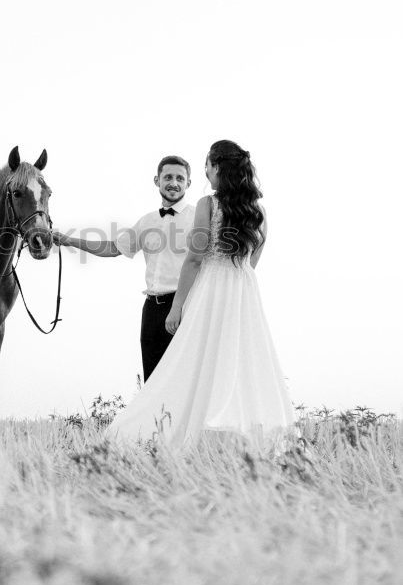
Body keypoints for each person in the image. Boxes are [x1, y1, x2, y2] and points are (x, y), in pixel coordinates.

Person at [106, 140, 295, 448]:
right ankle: (240, 436)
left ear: (218, 167)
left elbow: (194, 258)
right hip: (243, 291)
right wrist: (237, 280)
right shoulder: (258, 210)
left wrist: (177, 306)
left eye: (207, 165)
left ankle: (175, 430)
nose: (206, 172)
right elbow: (254, 257)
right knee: (236, 360)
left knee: (192, 363)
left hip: (210, 287)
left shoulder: (209, 204)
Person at [53, 156, 195, 380]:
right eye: (168, 177)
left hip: (184, 305)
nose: (174, 183)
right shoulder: (147, 221)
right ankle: (156, 417)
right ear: (157, 180)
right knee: (152, 378)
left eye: (180, 178)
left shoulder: (197, 218)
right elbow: (112, 247)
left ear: (188, 183)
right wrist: (69, 241)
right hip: (151, 308)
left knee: (182, 376)